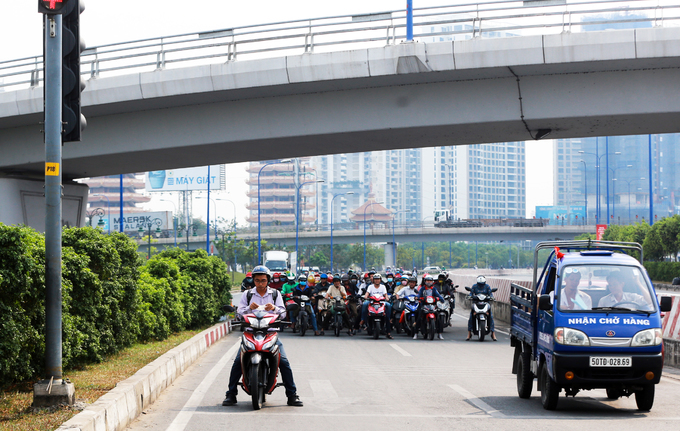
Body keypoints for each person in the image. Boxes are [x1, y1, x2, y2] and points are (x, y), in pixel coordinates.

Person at [223, 265, 303, 407]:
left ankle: (292, 395)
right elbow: (240, 313)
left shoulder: (275, 294)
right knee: (237, 362)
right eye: (258, 280)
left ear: (268, 281)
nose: (260, 283)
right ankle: (230, 394)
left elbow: (283, 313)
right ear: (253, 280)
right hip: (250, 332)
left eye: (263, 280)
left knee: (283, 362)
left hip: (270, 332)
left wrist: (274, 308)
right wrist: (249, 308)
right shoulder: (247, 295)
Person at [359, 273, 393, 339]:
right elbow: (367, 293)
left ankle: (389, 319)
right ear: (373, 280)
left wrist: (387, 298)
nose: (377, 281)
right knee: (364, 304)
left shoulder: (383, 286)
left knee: (388, 305)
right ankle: (363, 319)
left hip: (381, 302)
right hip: (372, 302)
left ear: (380, 280)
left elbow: (385, 294)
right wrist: (365, 297)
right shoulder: (370, 286)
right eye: (375, 279)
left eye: (378, 279)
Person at [466, 275, 497, 341]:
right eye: (479, 284)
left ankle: (493, 333)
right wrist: (469, 296)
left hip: (485, 303)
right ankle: (469, 334)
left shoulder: (487, 286)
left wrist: (492, 297)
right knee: (471, 317)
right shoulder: (474, 286)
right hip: (476, 303)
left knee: (490, 317)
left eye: (482, 284)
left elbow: (490, 293)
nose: (481, 285)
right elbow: (471, 293)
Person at [415, 275, 446, 340]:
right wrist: (418, 298)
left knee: (438, 318)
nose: (429, 282)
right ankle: (416, 333)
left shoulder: (434, 289)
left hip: (433, 306)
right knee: (419, 318)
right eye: (427, 281)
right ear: (425, 281)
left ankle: (439, 333)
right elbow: (419, 294)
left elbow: (438, 295)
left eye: (430, 281)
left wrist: (441, 299)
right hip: (424, 305)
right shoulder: (422, 288)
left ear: (432, 282)